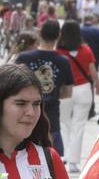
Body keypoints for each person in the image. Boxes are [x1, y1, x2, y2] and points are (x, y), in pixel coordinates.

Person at [15, 20, 73, 156]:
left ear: (39, 33)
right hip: (51, 115)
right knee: (52, 158)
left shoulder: (24, 57)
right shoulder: (63, 61)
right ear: (59, 35)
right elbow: (68, 92)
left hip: (25, 114)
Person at [55, 20, 98, 173]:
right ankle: (73, 161)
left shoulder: (59, 51)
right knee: (79, 126)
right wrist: (97, 86)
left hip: (65, 90)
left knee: (65, 124)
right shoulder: (86, 49)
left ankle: (66, 155)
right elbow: (92, 72)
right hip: (84, 89)